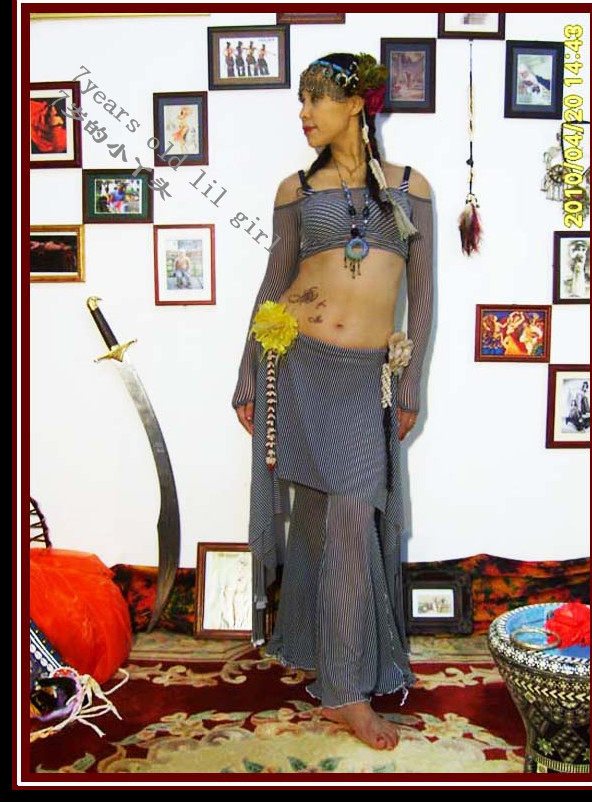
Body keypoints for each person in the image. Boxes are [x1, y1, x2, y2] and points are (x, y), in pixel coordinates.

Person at [231, 52, 433, 751]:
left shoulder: (409, 187)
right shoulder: (295, 190)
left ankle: (339, 670)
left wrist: (410, 381)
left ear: (355, 105)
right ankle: (345, 689)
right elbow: (273, 283)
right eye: (301, 100)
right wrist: (247, 372)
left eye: (316, 98)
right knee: (323, 522)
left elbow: (422, 296)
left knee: (348, 516)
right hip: (298, 365)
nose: (305, 112)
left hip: (363, 377)